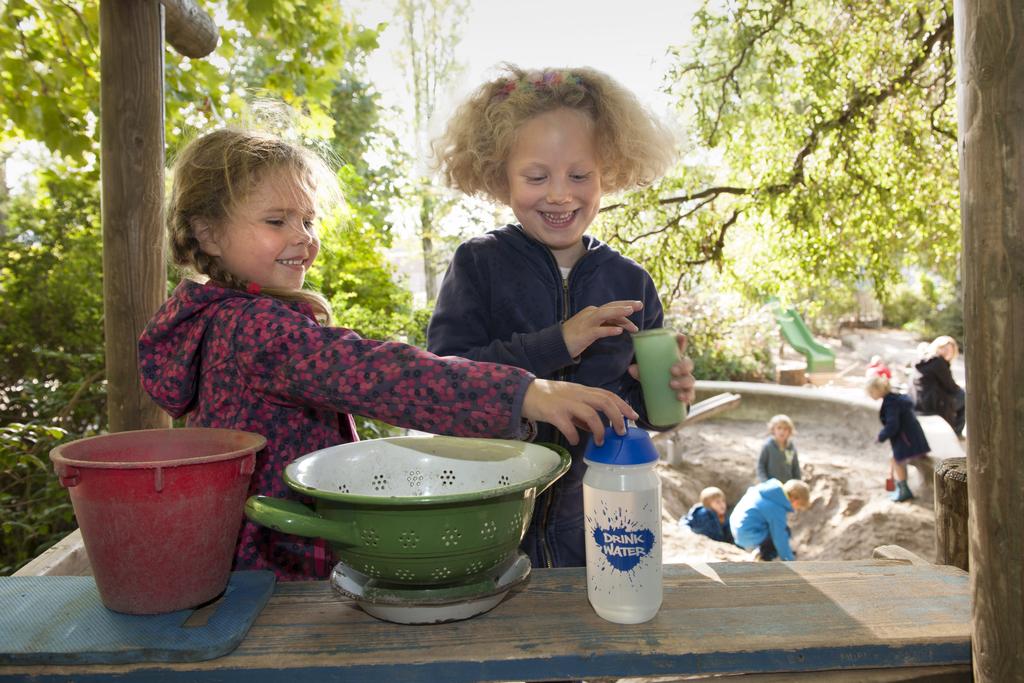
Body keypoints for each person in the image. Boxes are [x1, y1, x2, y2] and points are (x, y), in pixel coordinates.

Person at [137, 127, 639, 581]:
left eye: (308, 220)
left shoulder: (220, 318)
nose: (303, 239)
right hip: (274, 574)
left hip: (257, 558)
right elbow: (378, 374)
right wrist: (526, 393)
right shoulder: (252, 327)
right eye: (276, 220)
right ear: (207, 233)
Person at [427, 65, 695, 569]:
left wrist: (665, 396)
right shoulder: (478, 264)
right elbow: (445, 380)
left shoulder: (631, 281)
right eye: (535, 176)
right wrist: (559, 342)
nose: (558, 194)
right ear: (498, 174)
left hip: (595, 528)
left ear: (608, 172)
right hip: (491, 526)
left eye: (579, 175)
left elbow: (639, 417)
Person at [866, 375, 931, 503]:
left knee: (897, 460)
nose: (870, 395)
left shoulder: (890, 403)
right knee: (895, 458)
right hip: (913, 436)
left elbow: (892, 425)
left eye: (871, 392)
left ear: (878, 390)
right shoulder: (896, 398)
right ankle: (901, 486)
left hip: (906, 439)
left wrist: (881, 436)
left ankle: (904, 490)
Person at [729, 479, 810, 562]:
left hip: (736, 528)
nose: (796, 509)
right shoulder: (776, 507)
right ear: (795, 500)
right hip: (746, 535)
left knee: (774, 529)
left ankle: (760, 551)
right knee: (784, 532)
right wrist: (789, 559)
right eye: (798, 507)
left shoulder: (769, 490)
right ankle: (764, 558)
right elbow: (780, 537)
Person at [913, 335, 965, 438]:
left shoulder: (923, 360)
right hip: (932, 404)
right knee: (964, 396)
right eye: (944, 348)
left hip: (918, 402)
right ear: (937, 347)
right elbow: (951, 387)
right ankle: (956, 433)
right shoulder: (938, 361)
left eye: (949, 350)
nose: (946, 352)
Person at [757, 414, 801, 483]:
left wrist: (797, 483)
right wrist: (765, 482)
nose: (782, 431)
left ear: (790, 431)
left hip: (787, 486)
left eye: (785, 429)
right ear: (773, 429)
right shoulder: (768, 446)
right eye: (779, 428)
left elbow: (795, 468)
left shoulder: (791, 448)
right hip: (771, 486)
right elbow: (761, 466)